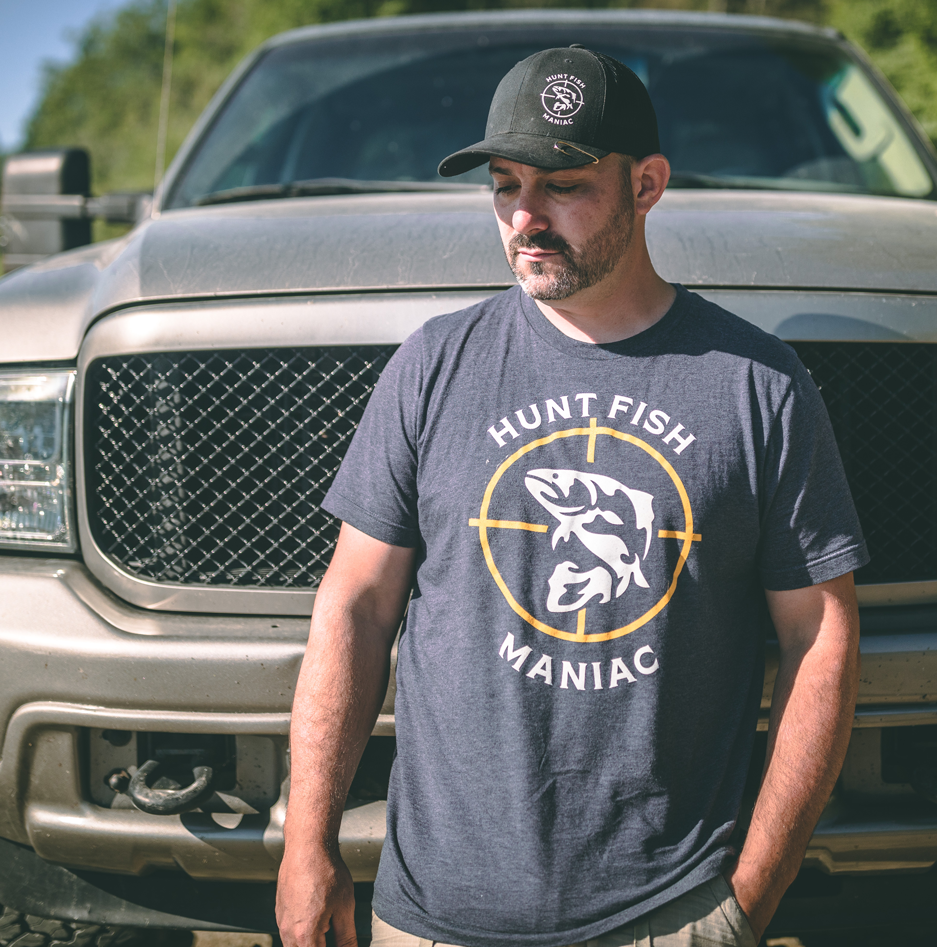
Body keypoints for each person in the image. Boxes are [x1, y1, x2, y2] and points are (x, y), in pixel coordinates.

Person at [275, 46, 867, 947]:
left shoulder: (758, 386)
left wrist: (746, 901)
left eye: (564, 185)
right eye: (506, 186)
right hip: (430, 918)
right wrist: (305, 847)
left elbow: (818, 637)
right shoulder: (433, 366)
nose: (525, 217)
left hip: (670, 913)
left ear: (648, 184)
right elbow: (354, 608)